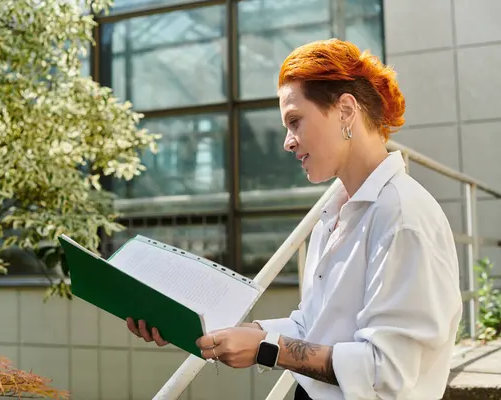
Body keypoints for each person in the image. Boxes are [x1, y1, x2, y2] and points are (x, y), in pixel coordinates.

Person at [126, 38, 463, 400]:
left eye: (295, 121)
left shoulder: (402, 216)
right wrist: (226, 331)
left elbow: (388, 371)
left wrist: (266, 349)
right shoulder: (333, 214)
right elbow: (313, 325)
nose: (288, 141)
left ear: (346, 110)